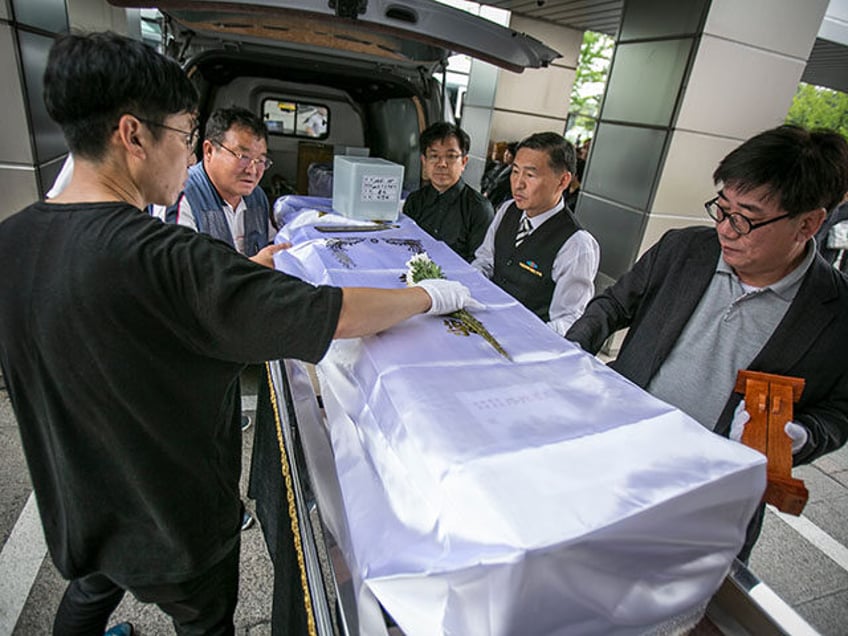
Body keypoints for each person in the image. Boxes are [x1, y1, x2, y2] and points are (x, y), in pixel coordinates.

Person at [0, 32, 480, 636]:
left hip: (81, 504)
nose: (188, 154)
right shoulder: (169, 258)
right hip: (174, 518)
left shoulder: (12, 243)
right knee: (204, 624)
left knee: (88, 594)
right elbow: (332, 314)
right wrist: (430, 295)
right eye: (183, 136)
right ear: (132, 134)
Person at [566, 124, 848, 560]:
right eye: (722, 208)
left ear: (809, 223)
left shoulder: (836, 311)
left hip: (712, 501)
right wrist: (573, 350)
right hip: (614, 455)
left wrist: (803, 435)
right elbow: (614, 304)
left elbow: (839, 411)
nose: (726, 229)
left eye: (745, 218)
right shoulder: (683, 249)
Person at [472, 132, 600, 335]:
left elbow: (568, 319)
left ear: (563, 181)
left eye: (530, 175)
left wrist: (523, 334)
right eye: (515, 171)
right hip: (482, 322)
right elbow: (485, 261)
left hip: (524, 342)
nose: (518, 183)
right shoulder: (507, 210)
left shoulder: (576, 244)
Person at [164, 106, 281, 268]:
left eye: (261, 160)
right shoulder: (183, 195)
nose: (252, 170)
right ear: (209, 150)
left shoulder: (257, 197)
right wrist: (252, 267)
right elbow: (181, 271)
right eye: (243, 157)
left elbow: (270, 244)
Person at [403, 122, 494, 262]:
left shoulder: (479, 209)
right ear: (424, 161)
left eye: (451, 156)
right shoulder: (415, 200)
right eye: (434, 156)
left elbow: (479, 263)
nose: (442, 164)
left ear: (464, 162)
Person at [483, 141, 517, 210]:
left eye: (509, 153)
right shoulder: (503, 166)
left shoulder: (513, 172)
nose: (506, 155)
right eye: (506, 152)